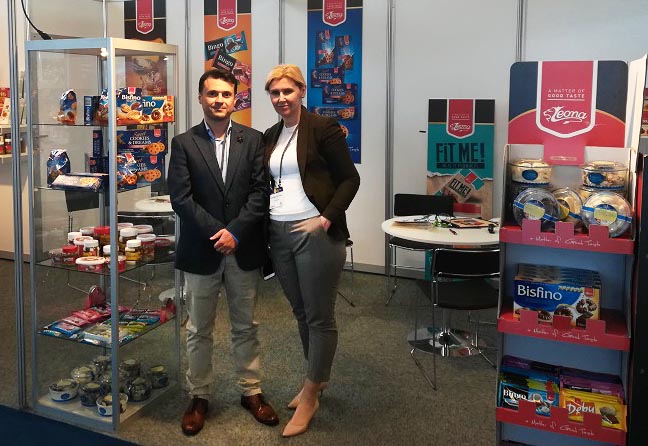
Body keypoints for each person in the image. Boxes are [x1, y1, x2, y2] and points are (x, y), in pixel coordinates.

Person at [168, 68, 278, 436]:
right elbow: (181, 198)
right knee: (199, 328)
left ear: (236, 99)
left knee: (246, 326)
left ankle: (251, 391)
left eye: (226, 94)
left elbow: (260, 193)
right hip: (202, 250)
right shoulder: (184, 143)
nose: (219, 100)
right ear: (200, 97)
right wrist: (220, 233)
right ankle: (199, 395)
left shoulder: (254, 140)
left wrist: (236, 232)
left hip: (243, 249)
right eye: (212, 94)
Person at [263, 64, 360, 437]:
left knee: (319, 317)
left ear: (302, 91)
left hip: (314, 232)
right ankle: (315, 381)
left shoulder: (323, 128)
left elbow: (350, 179)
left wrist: (325, 219)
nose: (282, 98)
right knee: (301, 312)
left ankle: (310, 393)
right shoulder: (271, 135)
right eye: (275, 93)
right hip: (279, 232)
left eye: (288, 91)